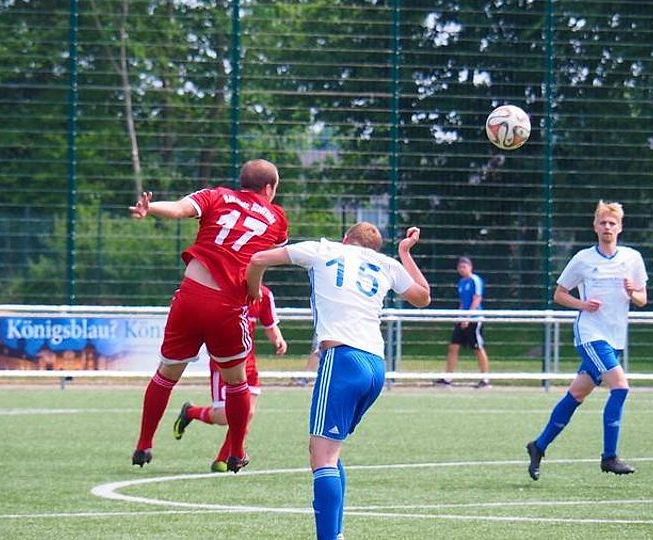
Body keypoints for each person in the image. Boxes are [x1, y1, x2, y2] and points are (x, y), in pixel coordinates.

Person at [246, 222, 431, 540]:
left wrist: (253, 292)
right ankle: (337, 533)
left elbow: (258, 259)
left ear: (346, 238)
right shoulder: (386, 264)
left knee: (323, 456)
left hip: (343, 360)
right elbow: (423, 296)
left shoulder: (323, 248)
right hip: (375, 366)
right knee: (331, 450)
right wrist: (404, 252)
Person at [129, 159, 289, 473]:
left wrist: (150, 208)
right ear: (269, 188)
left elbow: (178, 209)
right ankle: (236, 453)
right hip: (226, 306)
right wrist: (254, 289)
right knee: (237, 382)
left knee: (166, 374)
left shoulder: (216, 195)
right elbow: (260, 261)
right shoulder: (277, 218)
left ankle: (144, 445)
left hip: (190, 296)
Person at [526, 200, 648, 480]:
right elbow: (559, 294)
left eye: (612, 223)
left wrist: (633, 292)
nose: (607, 227)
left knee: (577, 394)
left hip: (615, 337)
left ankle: (538, 446)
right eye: (602, 222)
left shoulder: (632, 258)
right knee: (620, 387)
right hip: (591, 334)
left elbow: (642, 299)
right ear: (595, 226)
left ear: (620, 227)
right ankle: (609, 457)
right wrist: (582, 305)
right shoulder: (583, 259)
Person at [172, 284, 288, 472]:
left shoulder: (264, 295)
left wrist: (278, 339)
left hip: (249, 365)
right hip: (224, 364)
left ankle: (224, 458)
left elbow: (270, 325)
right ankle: (190, 412)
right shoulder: (223, 291)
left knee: (247, 413)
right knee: (223, 416)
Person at [436, 256, 491, 388]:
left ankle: (485, 379)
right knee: (453, 347)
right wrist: (460, 316)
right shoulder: (461, 282)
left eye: (464, 267)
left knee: (477, 348)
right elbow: (463, 301)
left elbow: (477, 299)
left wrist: (468, 317)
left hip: (474, 319)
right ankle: (448, 378)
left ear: (470, 267)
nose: (462, 269)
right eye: (460, 267)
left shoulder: (475, 280)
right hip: (462, 319)